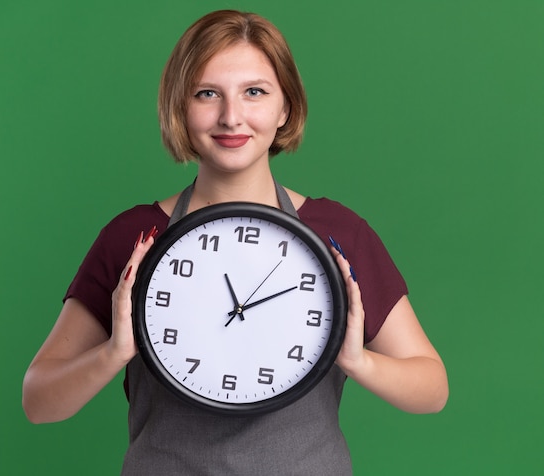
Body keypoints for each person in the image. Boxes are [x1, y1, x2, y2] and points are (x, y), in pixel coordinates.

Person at [22, 9, 448, 475]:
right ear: (180, 107)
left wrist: (359, 361)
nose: (231, 117)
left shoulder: (338, 233)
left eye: (254, 92)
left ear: (285, 107)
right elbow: (39, 402)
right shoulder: (134, 237)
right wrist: (113, 353)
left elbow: (432, 389)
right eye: (207, 93)